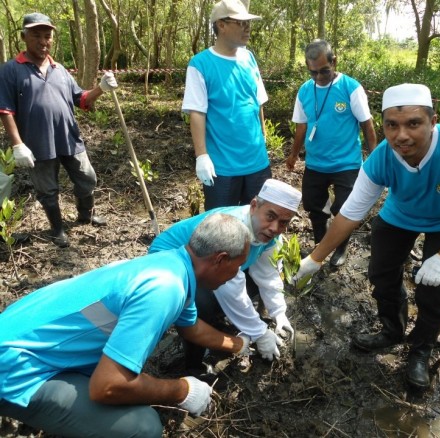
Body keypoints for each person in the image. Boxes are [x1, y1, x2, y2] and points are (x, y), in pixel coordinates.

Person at [295, 84, 440, 389]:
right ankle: (392, 329)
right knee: (381, 273)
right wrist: (315, 258)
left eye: (414, 124)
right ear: (383, 125)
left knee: (434, 291)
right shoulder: (381, 159)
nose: (401, 135)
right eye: (392, 125)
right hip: (400, 214)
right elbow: (349, 213)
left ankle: (420, 350)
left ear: (432, 121)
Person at [0, 213, 253, 437]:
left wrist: (239, 344)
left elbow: (192, 328)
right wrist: (182, 390)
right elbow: (107, 387)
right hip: (16, 369)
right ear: (219, 259)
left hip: (23, 337)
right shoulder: (165, 289)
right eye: (238, 265)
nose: (238, 273)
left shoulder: (172, 265)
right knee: (143, 427)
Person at [149, 178, 302, 371]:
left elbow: (267, 274)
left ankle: (217, 322)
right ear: (254, 206)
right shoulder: (233, 230)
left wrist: (279, 313)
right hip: (169, 265)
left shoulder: (270, 235)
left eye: (283, 223)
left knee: (251, 285)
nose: (274, 228)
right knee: (201, 305)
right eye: (270, 217)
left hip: (206, 267)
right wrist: (260, 333)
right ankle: (194, 365)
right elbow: (232, 290)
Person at [0, 12, 118, 248]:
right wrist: (17, 144)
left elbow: (81, 100)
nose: (43, 41)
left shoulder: (60, 70)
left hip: (69, 139)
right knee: (47, 189)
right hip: (36, 143)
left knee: (87, 178)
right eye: (36, 36)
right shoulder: (10, 70)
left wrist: (101, 88)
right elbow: (5, 110)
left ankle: (86, 214)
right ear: (24, 37)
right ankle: (57, 229)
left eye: (47, 36)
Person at [286, 39, 377, 267]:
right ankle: (321, 244)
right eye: (313, 73)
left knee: (344, 209)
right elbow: (301, 126)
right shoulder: (305, 91)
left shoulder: (350, 88)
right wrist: (293, 154)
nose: (319, 77)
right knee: (314, 207)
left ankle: (341, 248)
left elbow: (367, 124)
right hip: (316, 163)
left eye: (324, 71)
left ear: (334, 61)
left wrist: (375, 158)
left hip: (346, 163)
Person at [182, 0, 271, 210]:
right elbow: (197, 112)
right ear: (221, 25)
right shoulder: (200, 64)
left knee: (258, 223)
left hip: (257, 162)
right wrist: (202, 156)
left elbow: (257, 100)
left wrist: (263, 136)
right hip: (222, 166)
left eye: (248, 23)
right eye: (241, 23)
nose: (247, 28)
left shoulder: (249, 58)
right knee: (221, 228)